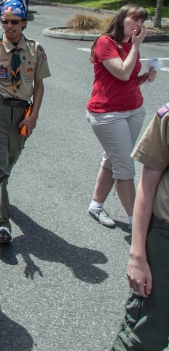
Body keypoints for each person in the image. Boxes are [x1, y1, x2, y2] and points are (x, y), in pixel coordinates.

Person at [0, 0, 49, 244]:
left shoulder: (36, 50)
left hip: (21, 112)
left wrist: (34, 116)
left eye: (15, 22)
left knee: (11, 158)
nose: (9, 26)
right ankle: (2, 224)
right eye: (5, 22)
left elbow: (39, 85)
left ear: (24, 23)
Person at [86, 5, 155, 228]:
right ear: (121, 19)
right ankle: (138, 224)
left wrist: (145, 77)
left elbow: (130, 80)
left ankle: (96, 206)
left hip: (134, 110)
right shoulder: (105, 42)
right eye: (135, 20)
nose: (139, 26)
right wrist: (136, 46)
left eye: (142, 22)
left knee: (114, 159)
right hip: (108, 114)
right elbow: (123, 72)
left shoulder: (129, 44)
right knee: (124, 166)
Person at [113, 103, 169, 350]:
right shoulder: (167, 117)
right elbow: (147, 185)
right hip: (164, 242)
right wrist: (137, 255)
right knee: (145, 333)